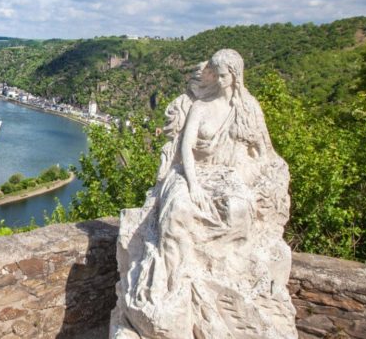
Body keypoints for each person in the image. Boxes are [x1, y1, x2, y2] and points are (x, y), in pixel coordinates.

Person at [110, 49, 296, 339]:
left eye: (225, 76)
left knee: (238, 209)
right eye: (216, 75)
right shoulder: (202, 106)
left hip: (228, 177)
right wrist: (194, 183)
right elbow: (186, 148)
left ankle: (232, 271)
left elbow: (263, 152)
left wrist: (263, 177)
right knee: (177, 211)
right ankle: (170, 284)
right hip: (191, 173)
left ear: (235, 76)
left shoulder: (248, 109)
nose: (220, 81)